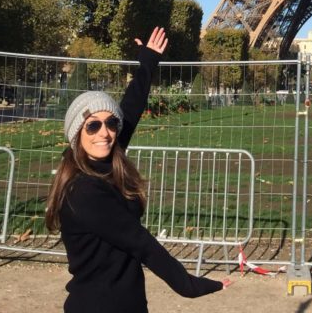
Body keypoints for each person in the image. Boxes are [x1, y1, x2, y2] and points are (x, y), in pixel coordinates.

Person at [46, 26, 230, 312]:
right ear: (76, 135)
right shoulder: (83, 191)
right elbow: (139, 242)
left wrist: (148, 62)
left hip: (124, 301)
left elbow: (129, 110)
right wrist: (188, 285)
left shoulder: (106, 158)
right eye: (92, 125)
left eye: (110, 124)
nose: (104, 133)